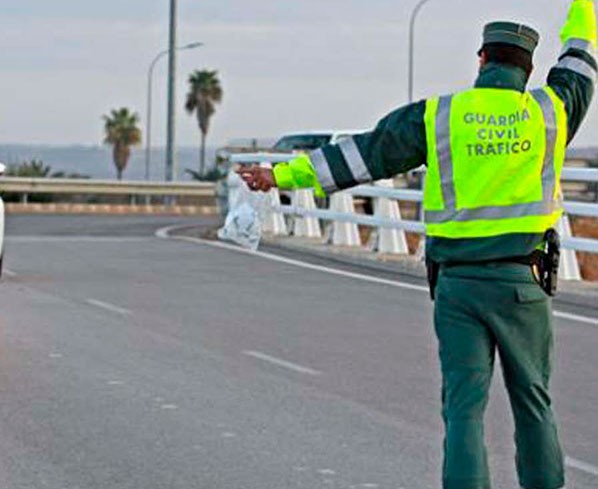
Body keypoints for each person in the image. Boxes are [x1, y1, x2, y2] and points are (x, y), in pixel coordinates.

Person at [238, 2, 595, 489]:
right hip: (523, 284)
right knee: (532, 402)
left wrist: (279, 173)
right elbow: (579, 60)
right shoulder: (549, 112)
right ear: (529, 68)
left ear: (482, 59)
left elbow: (362, 155)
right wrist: (582, 8)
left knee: (464, 411)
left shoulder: (439, 116)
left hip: (458, 288)